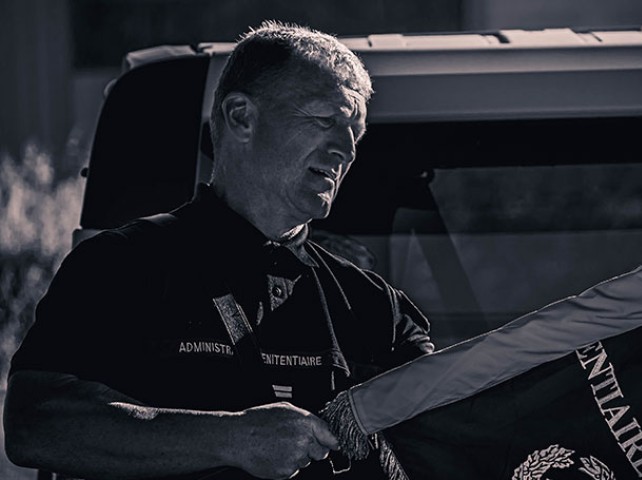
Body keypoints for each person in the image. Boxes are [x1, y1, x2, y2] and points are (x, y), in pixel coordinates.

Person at [4, 21, 434, 480]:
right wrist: (232, 438)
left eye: (356, 132)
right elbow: (35, 424)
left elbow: (453, 426)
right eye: (325, 120)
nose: (346, 149)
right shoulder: (121, 265)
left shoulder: (373, 304)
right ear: (240, 117)